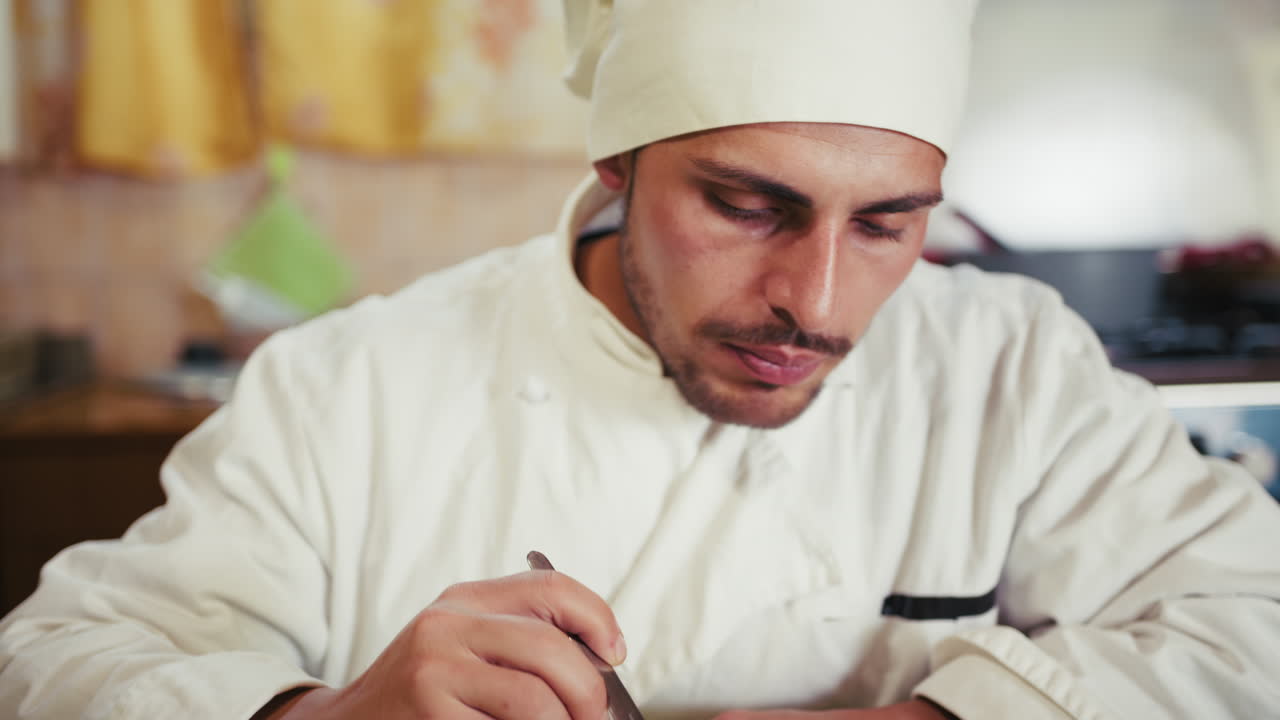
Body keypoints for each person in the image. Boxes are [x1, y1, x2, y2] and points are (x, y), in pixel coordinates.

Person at [3, 1, 1280, 718]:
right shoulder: (350, 388)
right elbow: (52, 665)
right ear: (616, 165)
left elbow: (1253, 625)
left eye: (886, 222)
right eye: (746, 206)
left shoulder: (1010, 367)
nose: (815, 305)